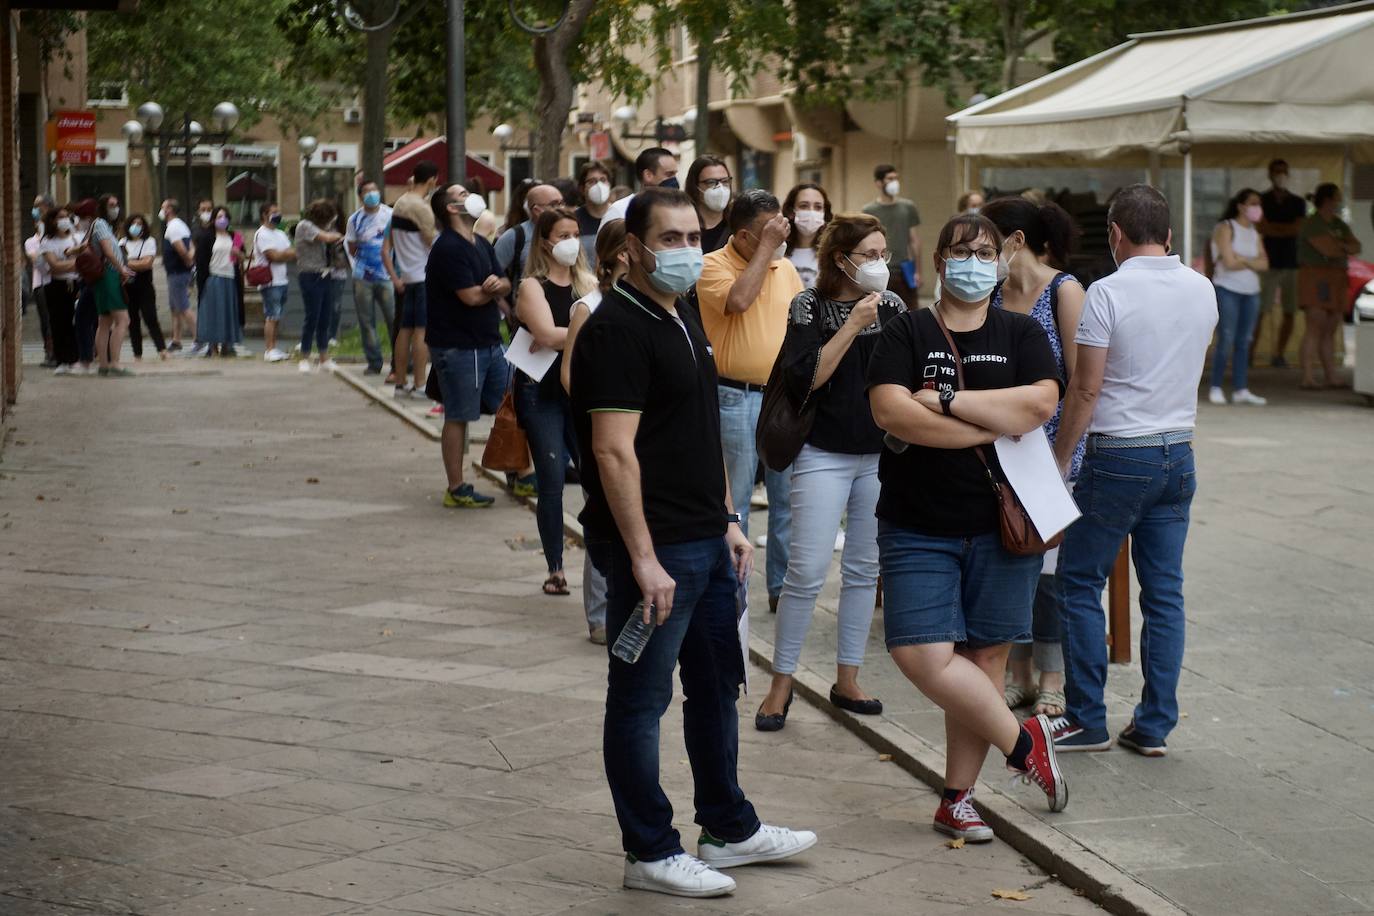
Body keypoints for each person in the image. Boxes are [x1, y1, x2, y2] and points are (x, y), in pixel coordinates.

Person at [570, 187, 815, 898]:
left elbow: (700, 431)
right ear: (631, 249)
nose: (684, 249)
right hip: (658, 550)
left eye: (691, 237)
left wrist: (730, 518)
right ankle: (649, 850)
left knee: (716, 686)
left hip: (707, 539)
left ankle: (728, 827)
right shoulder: (618, 327)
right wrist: (643, 558)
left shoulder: (682, 315)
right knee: (641, 698)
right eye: (668, 239)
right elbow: (613, 452)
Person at [867, 211, 1068, 841]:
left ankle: (957, 799)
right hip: (916, 522)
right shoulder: (906, 330)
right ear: (939, 262)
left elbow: (1039, 404)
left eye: (985, 253)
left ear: (1000, 261)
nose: (973, 263)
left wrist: (949, 402)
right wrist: (990, 425)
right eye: (960, 252)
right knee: (920, 652)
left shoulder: (1020, 332)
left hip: (1004, 525)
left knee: (983, 661)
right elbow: (893, 413)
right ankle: (1024, 742)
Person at [1051, 184, 1217, 756]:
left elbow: (1085, 387)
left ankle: (1086, 718)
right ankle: (1154, 725)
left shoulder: (1106, 292)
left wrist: (1060, 459)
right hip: (1179, 451)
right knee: (1164, 592)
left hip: (1119, 454)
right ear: (1168, 235)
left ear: (1115, 234)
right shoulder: (1202, 287)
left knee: (1078, 581)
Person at [755, 214, 905, 732]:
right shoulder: (809, 305)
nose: (879, 264)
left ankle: (848, 678)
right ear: (841, 260)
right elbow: (807, 379)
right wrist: (853, 324)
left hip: (881, 454)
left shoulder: (894, 307)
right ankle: (781, 682)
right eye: (869, 255)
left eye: (884, 254)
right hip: (822, 452)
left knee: (863, 569)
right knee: (806, 571)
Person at [983, 196, 1087, 720]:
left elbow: (1082, 379)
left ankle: (1052, 676)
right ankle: (1018, 673)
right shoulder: (992, 293)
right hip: (1000, 449)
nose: (978, 255)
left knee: (1049, 571)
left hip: (1054, 451)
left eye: (987, 243)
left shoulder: (1065, 290)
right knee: (1009, 560)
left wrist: (1062, 456)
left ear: (1015, 240)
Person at [696, 189, 801, 616]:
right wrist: (766, 251)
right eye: (768, 230)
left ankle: (780, 589)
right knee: (734, 502)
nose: (779, 236)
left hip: (782, 398)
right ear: (742, 236)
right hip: (734, 395)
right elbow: (738, 301)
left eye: (781, 227)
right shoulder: (711, 265)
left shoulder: (785, 267)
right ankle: (729, 591)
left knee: (786, 501)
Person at [514, 207, 596, 595]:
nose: (572, 242)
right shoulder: (533, 286)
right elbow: (546, 335)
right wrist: (581, 332)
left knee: (596, 475)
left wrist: (562, 334)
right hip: (540, 392)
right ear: (545, 242)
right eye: (563, 235)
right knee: (551, 481)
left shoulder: (588, 284)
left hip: (582, 390)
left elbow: (605, 329)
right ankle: (556, 568)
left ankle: (602, 558)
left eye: (575, 234)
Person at [562, 220, 630, 645]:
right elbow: (570, 373)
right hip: (600, 430)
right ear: (623, 253)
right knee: (604, 516)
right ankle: (601, 614)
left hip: (642, 432)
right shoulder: (589, 306)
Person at [426, 183, 511, 508]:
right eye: (461, 195)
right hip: (457, 346)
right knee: (458, 415)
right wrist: (491, 289)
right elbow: (471, 297)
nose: (471, 197)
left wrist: (495, 286)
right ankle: (457, 487)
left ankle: (518, 471)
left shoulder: (481, 242)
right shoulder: (448, 248)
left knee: (511, 405)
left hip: (490, 342)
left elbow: (504, 283)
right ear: (451, 208)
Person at [1208, 189, 1269, 405]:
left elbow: (1265, 264)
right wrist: (1251, 261)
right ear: (1241, 206)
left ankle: (1240, 389)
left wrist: (1242, 258)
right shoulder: (1226, 227)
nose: (1257, 208)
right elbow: (1228, 262)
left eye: (1259, 203)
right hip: (1227, 289)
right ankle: (1215, 386)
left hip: (1251, 292)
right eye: (1253, 203)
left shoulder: (1254, 232)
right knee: (1226, 338)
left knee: (1244, 341)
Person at [1297, 183, 1360, 390]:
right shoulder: (1312, 223)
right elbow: (1329, 250)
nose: (1339, 201)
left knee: (1331, 327)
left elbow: (1356, 246)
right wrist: (1343, 246)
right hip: (1316, 276)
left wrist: (1339, 245)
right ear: (1327, 199)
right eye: (1337, 197)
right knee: (1315, 325)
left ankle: (1331, 376)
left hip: (1337, 277)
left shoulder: (1339, 223)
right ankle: (1307, 376)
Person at [390, 161, 440, 393]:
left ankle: (400, 381)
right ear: (431, 180)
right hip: (423, 275)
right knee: (422, 330)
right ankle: (420, 383)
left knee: (405, 329)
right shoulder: (421, 207)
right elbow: (433, 242)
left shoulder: (400, 203)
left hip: (407, 273)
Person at [1256, 159, 1305, 367]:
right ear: (1270, 174)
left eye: (1283, 172)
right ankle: (1250, 353)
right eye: (1277, 171)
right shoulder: (1261, 200)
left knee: (1290, 311)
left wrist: (1275, 228)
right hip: (1267, 263)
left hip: (1291, 262)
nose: (1280, 175)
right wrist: (1284, 229)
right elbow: (1263, 227)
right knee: (1260, 310)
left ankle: (1280, 354)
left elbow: (1297, 228)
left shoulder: (1298, 202)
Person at [344, 180, 396, 375]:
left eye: (374, 190)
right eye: (367, 191)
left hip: (387, 275)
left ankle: (401, 361)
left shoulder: (390, 215)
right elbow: (351, 247)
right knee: (366, 322)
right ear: (360, 196)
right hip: (362, 276)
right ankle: (374, 362)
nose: (372, 194)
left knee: (394, 319)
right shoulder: (355, 220)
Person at [295, 199, 344, 373]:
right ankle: (304, 357)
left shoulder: (322, 228)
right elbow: (327, 238)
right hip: (310, 275)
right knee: (312, 317)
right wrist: (341, 236)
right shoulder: (305, 226)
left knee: (325, 318)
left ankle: (324, 358)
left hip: (325, 274)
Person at [89, 194, 136, 376]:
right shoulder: (101, 224)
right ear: (103, 206)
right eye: (111, 205)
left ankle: (104, 365)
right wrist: (121, 269)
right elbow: (108, 252)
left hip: (107, 276)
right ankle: (114, 363)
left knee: (105, 321)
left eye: (116, 204)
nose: (115, 208)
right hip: (108, 275)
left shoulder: (106, 226)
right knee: (123, 320)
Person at [863, 164, 922, 301]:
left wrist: (918, 271)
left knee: (909, 309)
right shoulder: (868, 211)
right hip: (879, 270)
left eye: (896, 178)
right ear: (878, 183)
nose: (894, 182)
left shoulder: (908, 207)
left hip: (903, 271)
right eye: (890, 179)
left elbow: (914, 241)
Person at [196, 206, 245, 358]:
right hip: (214, 278)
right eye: (219, 216)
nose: (222, 219)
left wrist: (238, 253)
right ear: (213, 220)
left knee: (228, 312)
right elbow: (201, 260)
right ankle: (212, 346)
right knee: (213, 312)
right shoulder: (207, 237)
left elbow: (242, 257)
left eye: (225, 216)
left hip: (230, 278)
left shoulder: (235, 236)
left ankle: (227, 345)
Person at [494, 182, 564, 286]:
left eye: (561, 203)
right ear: (537, 210)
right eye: (553, 205)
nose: (561, 209)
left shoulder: (570, 232)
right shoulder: (514, 236)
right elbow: (492, 275)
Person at [251, 202, 295, 362]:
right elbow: (273, 256)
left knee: (277, 317)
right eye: (274, 212)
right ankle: (269, 349)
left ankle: (274, 347)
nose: (278, 215)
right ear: (264, 215)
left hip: (282, 280)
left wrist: (283, 254)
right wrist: (284, 255)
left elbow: (292, 252)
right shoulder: (262, 234)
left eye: (278, 212)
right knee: (271, 315)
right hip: (270, 282)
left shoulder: (280, 234)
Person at [120, 213, 167, 362]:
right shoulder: (122, 243)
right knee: (132, 321)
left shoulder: (149, 241)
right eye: (133, 223)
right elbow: (117, 263)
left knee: (150, 317)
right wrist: (135, 263)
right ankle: (137, 354)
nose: (136, 226)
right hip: (127, 287)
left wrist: (127, 262)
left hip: (145, 286)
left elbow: (147, 263)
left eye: (139, 224)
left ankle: (162, 349)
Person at [40, 207, 81, 374]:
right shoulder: (47, 242)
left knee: (75, 321)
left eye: (66, 217)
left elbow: (83, 261)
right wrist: (74, 263)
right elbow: (54, 266)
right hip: (56, 286)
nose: (64, 220)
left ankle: (75, 358)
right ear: (52, 221)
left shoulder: (76, 239)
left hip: (75, 284)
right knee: (58, 322)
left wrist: (66, 265)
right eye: (60, 217)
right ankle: (62, 360)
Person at [598, 147, 679, 230]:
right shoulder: (620, 210)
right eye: (669, 174)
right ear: (648, 175)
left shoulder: (678, 210)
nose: (674, 180)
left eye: (675, 174)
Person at [159, 199, 196, 351]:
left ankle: (199, 339)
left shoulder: (173, 227)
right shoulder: (181, 225)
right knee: (175, 308)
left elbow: (181, 249)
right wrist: (190, 260)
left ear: (169, 210)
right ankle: (176, 340)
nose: (161, 210)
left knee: (183, 307)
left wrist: (188, 260)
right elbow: (192, 246)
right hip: (178, 272)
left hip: (177, 273)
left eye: (163, 207)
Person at [782, 182, 831, 290]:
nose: (811, 212)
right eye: (804, 206)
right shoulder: (778, 250)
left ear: (824, 213)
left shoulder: (831, 253)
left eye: (818, 207)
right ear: (791, 212)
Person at [24, 195, 55, 366]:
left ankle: (59, 351)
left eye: (38, 206)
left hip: (57, 280)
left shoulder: (56, 236)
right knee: (46, 319)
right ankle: (49, 352)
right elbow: (37, 260)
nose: (35, 210)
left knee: (57, 318)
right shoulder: (31, 242)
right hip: (41, 284)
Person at [685, 155, 733, 254]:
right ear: (695, 187)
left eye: (725, 181)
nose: (720, 188)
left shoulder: (737, 226)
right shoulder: (683, 227)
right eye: (711, 182)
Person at [575, 160, 613, 265]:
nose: (599, 185)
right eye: (592, 181)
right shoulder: (574, 220)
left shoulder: (620, 215)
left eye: (603, 180)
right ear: (582, 189)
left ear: (609, 185)